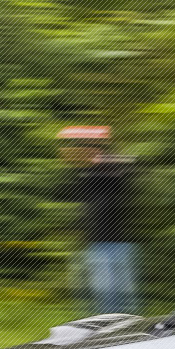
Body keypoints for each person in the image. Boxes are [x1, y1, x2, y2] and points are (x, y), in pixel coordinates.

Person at [58, 125, 138, 314]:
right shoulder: (87, 174)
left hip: (115, 241)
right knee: (106, 290)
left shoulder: (111, 170)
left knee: (114, 291)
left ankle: (117, 321)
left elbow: (128, 165)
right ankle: (110, 319)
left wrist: (101, 153)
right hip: (99, 241)